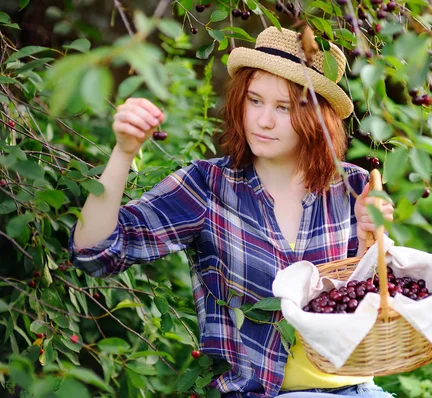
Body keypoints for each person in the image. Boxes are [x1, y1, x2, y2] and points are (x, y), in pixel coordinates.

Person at [70, 26, 394, 397]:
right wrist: (123, 152)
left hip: (356, 388)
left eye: (283, 107)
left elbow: (379, 299)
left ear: (316, 118)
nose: (264, 120)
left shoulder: (350, 186)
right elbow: (93, 254)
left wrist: (376, 235)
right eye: (255, 100)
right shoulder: (208, 187)